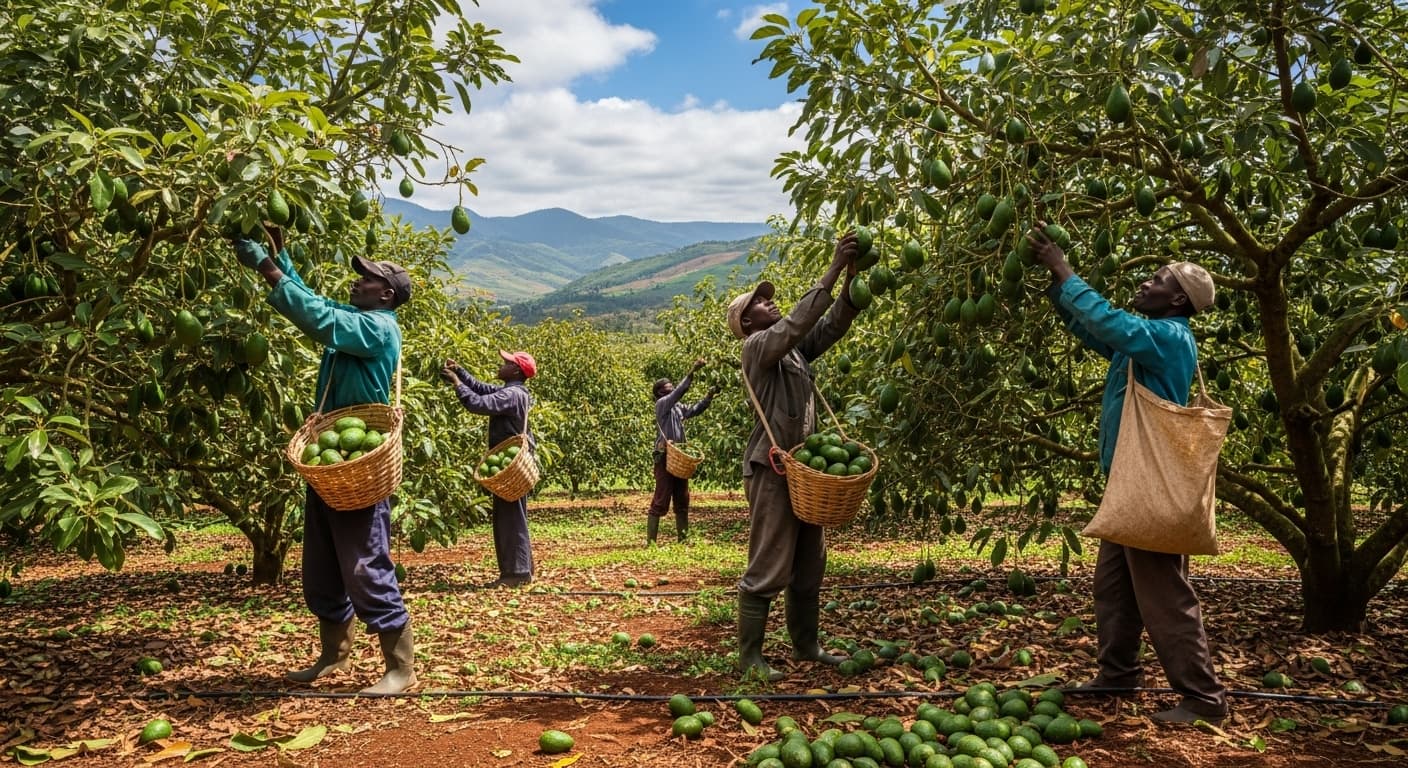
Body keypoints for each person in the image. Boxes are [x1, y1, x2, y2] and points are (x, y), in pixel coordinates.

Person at [1026, 223, 1228, 724]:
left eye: (1158, 280)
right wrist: (1057, 290)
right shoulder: (1144, 344)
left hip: (1151, 490)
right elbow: (1097, 329)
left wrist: (1065, 270)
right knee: (1113, 587)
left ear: (1178, 301)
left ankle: (1204, 699)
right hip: (1130, 487)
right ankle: (1117, 673)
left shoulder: (1169, 338)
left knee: (1164, 595)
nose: (1145, 283)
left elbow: (1115, 323)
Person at [231, 227, 416, 695]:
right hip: (330, 459)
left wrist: (265, 268)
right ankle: (333, 654)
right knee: (323, 564)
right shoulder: (357, 317)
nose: (356, 283)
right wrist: (281, 255)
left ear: (386, 294)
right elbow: (317, 302)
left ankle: (400, 666)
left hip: (360, 465)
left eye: (367, 280)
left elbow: (317, 318)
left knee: (364, 564)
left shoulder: (378, 328)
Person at [726, 231, 863, 681]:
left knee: (810, 564)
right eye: (759, 305)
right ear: (746, 323)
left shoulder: (793, 355)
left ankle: (807, 646)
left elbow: (830, 326)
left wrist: (852, 284)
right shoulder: (757, 348)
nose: (770, 304)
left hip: (806, 473)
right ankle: (750, 659)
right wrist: (832, 269)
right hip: (773, 470)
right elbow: (797, 325)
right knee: (768, 563)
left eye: (769, 300)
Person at [441, 351, 536, 588]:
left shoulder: (512, 394)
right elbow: (483, 389)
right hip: (510, 462)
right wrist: (461, 372)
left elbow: (479, 403)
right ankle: (522, 568)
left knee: (509, 517)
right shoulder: (515, 391)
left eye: (507, 363)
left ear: (516, 371)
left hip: (510, 465)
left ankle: (516, 573)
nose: (501, 365)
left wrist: (457, 384)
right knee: (513, 515)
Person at [648, 358, 718, 545]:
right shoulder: (662, 404)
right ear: (660, 393)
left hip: (679, 458)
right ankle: (651, 542)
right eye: (667, 387)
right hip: (664, 457)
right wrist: (692, 371)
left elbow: (694, 410)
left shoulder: (677, 408)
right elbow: (679, 392)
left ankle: (683, 539)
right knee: (661, 498)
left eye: (671, 386)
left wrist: (708, 397)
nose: (670, 389)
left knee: (682, 498)